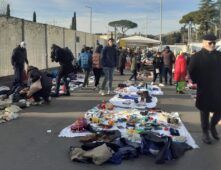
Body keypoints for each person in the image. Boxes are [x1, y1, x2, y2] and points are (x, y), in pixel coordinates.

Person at [188, 34, 221, 144]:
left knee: (219, 111)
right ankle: (205, 132)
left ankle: (212, 126)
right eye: (210, 43)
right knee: (204, 111)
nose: (212, 45)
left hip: (218, 88)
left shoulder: (219, 55)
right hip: (204, 88)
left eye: (214, 43)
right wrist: (198, 81)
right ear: (204, 42)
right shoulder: (197, 56)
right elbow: (191, 71)